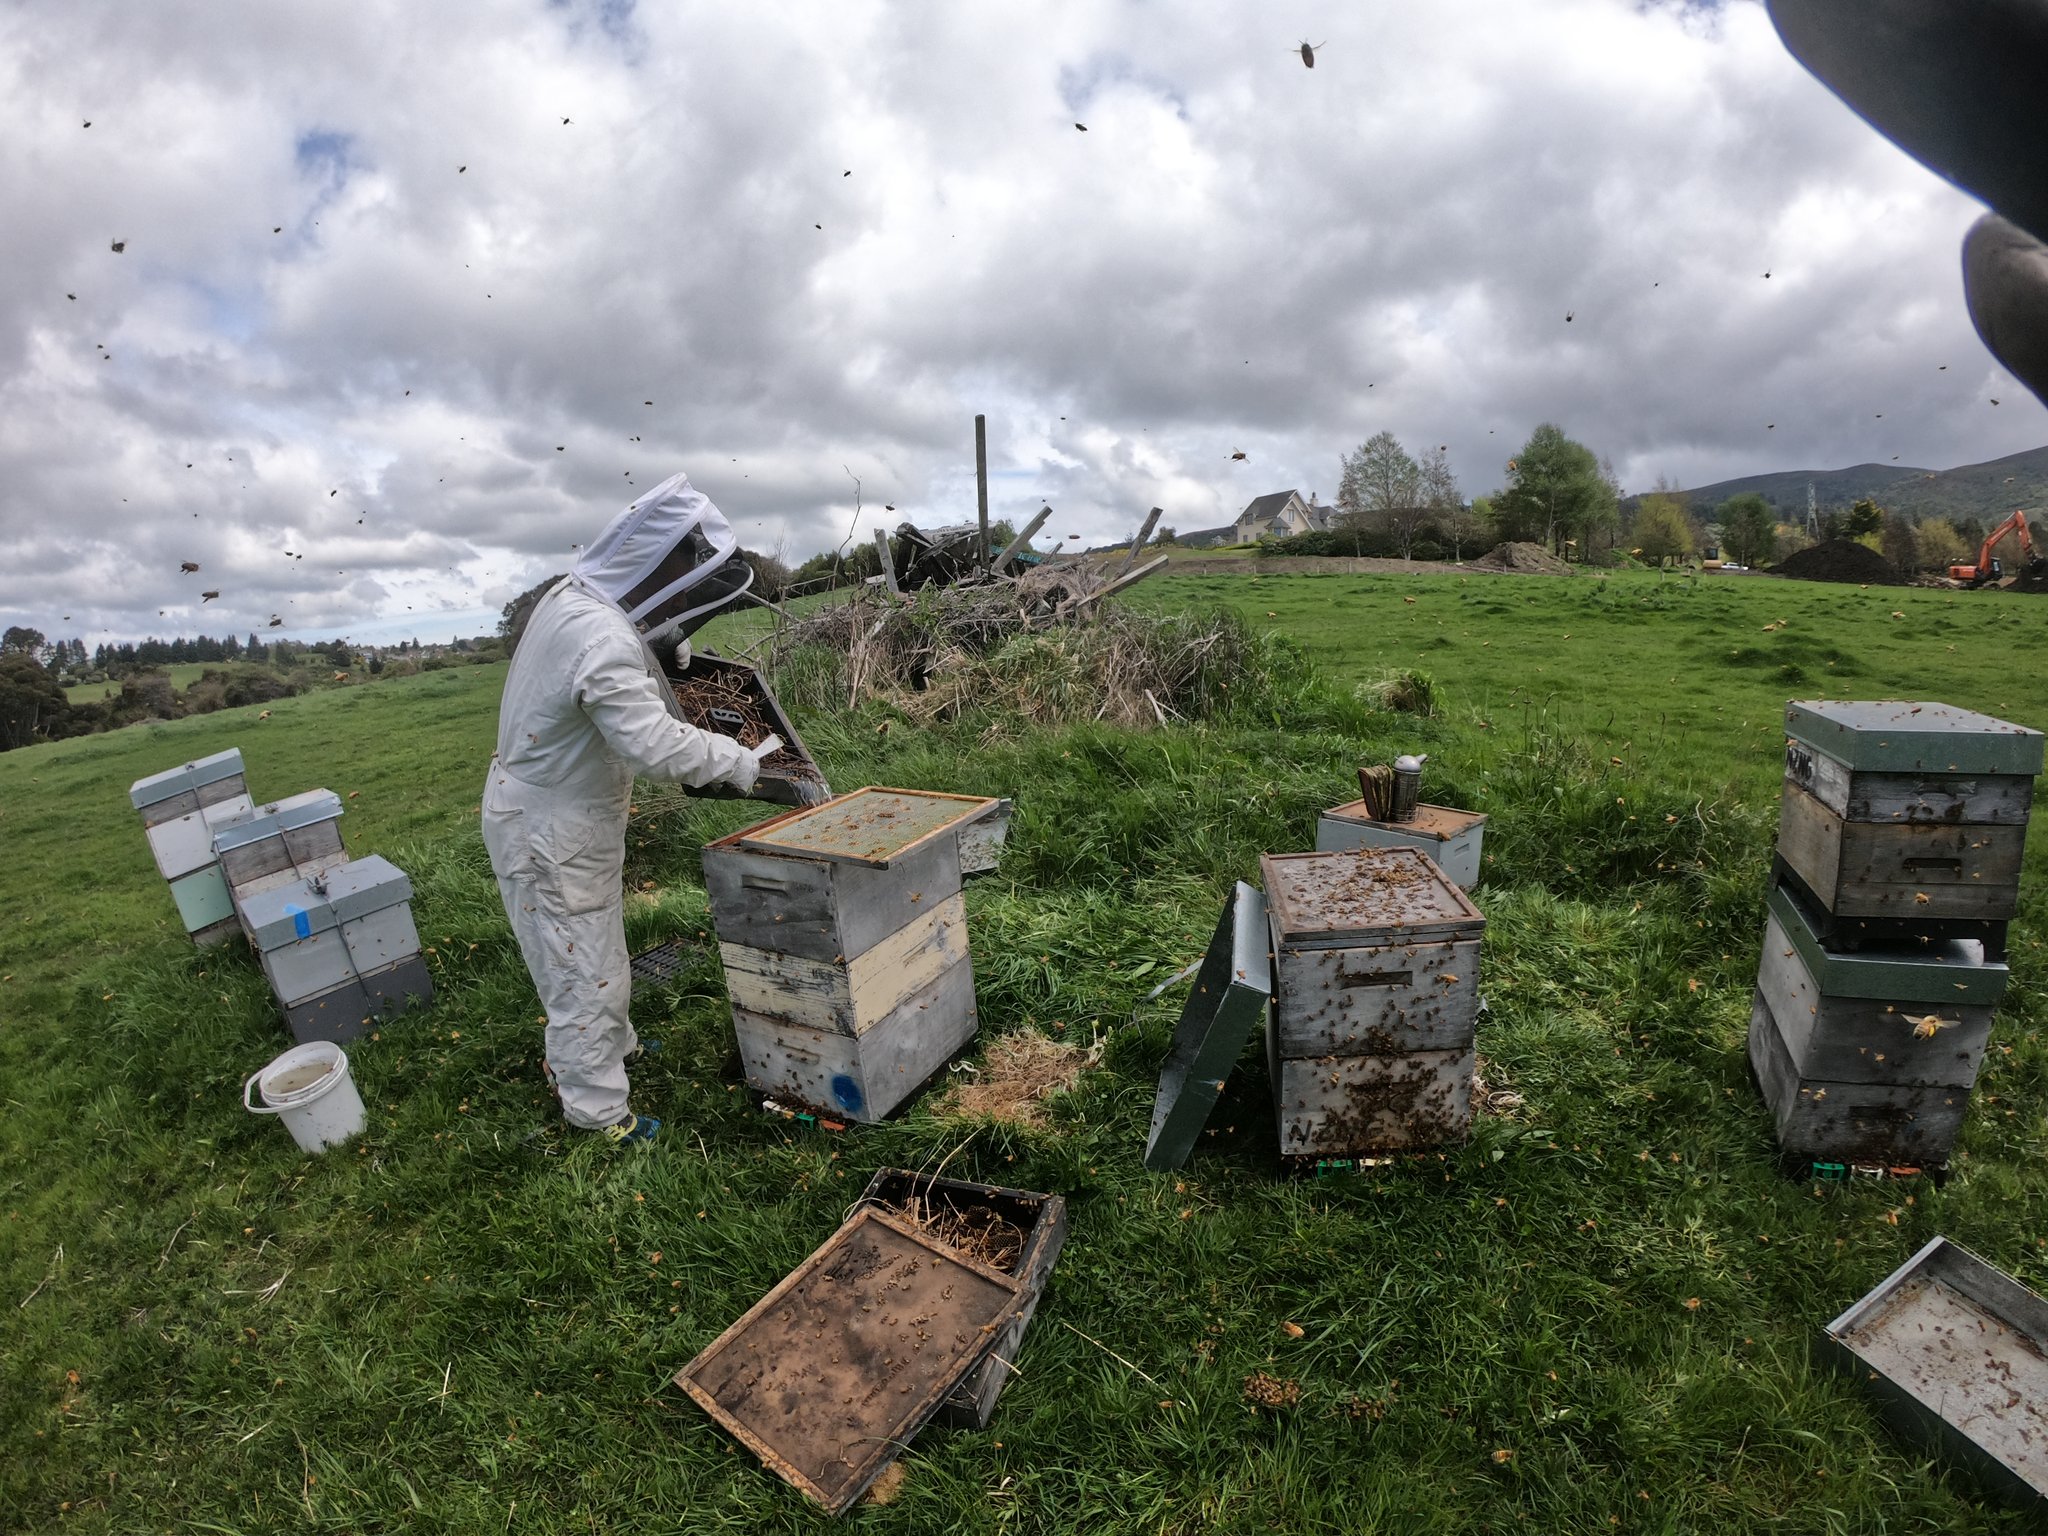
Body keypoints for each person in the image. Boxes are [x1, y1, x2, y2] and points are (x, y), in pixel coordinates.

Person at [482, 471, 767, 1146]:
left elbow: (607, 660)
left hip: (556, 815)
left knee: (588, 943)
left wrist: (661, 649)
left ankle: (609, 1050)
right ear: (648, 564)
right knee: (579, 963)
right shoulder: (599, 637)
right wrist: (739, 763)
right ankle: (598, 1111)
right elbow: (652, 744)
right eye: (681, 571)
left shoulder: (571, 600)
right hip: (549, 828)